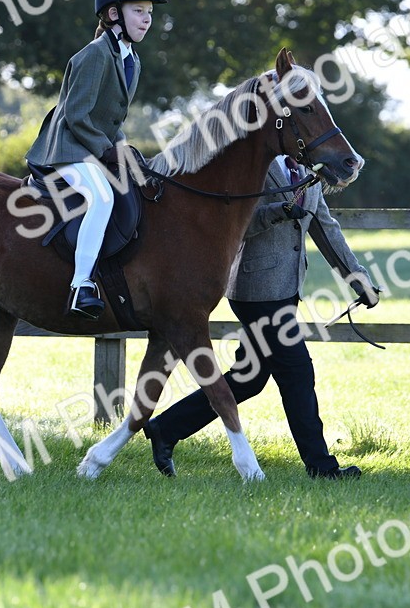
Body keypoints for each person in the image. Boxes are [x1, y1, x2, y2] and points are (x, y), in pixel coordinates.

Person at [143, 153, 380, 479]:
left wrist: (358, 279)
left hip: (286, 289)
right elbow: (232, 221)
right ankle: (322, 468)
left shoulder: (310, 173)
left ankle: (166, 428)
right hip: (256, 290)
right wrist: (277, 212)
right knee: (297, 372)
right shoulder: (256, 164)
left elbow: (324, 227)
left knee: (248, 378)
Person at [25, 0, 167, 318]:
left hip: (90, 146)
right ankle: (81, 285)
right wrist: (107, 150)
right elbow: (77, 116)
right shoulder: (95, 54)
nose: (147, 19)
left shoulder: (131, 59)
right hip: (67, 148)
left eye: (150, 13)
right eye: (139, 11)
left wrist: (124, 149)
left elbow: (110, 121)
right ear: (113, 13)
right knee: (102, 197)